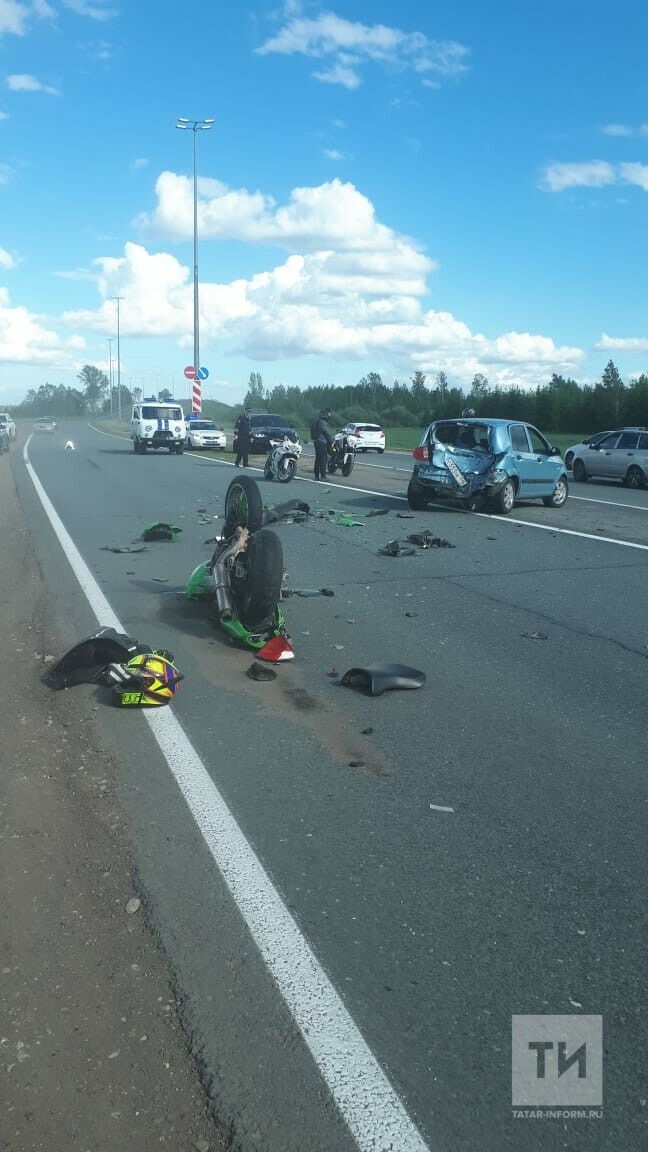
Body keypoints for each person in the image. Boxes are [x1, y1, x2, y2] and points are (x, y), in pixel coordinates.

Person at [310, 408, 334, 481]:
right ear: (326, 414)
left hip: (317, 441)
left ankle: (316, 476)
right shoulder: (322, 422)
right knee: (323, 459)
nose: (330, 416)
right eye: (329, 414)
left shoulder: (317, 421)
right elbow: (326, 433)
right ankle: (323, 476)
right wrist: (331, 441)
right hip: (322, 442)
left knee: (318, 459)